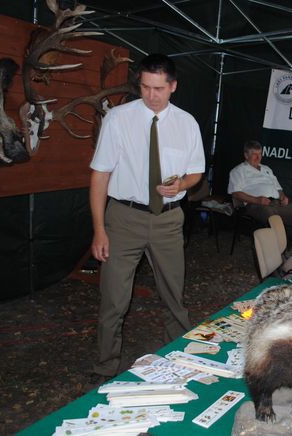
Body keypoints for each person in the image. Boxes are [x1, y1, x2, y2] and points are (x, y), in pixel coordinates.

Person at [89, 54, 205, 381]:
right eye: (144, 87)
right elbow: (99, 176)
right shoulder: (118, 119)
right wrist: (99, 229)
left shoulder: (187, 124)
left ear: (173, 87)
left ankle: (181, 361)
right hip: (124, 219)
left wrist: (182, 184)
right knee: (113, 301)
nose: (151, 95)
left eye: (158, 88)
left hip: (168, 221)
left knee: (174, 296)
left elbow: (197, 171)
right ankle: (105, 369)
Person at [228, 140, 292, 255]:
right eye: (254, 154)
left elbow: (279, 188)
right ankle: (277, 257)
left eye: (260, 154)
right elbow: (235, 193)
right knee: (273, 218)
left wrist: (283, 197)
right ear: (246, 155)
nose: (258, 157)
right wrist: (257, 200)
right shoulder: (238, 171)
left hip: (277, 203)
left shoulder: (267, 169)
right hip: (256, 204)